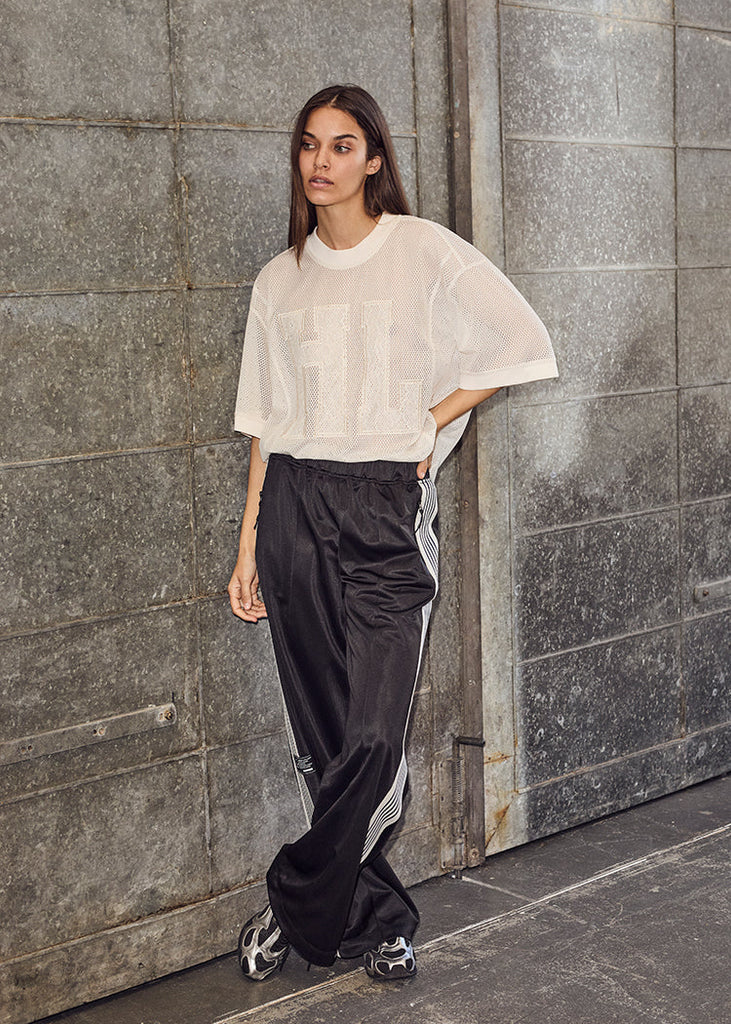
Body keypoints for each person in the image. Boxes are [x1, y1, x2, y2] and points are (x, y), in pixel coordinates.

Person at [227, 84, 558, 982]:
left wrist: (425, 426)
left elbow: (521, 341)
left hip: (381, 510)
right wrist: (250, 540)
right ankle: (376, 919)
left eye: (342, 146)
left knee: (372, 740)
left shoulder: (419, 250)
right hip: (293, 503)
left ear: (375, 159)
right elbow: (265, 418)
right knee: (326, 739)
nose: (321, 162)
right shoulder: (278, 277)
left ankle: (295, 902)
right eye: (309, 146)